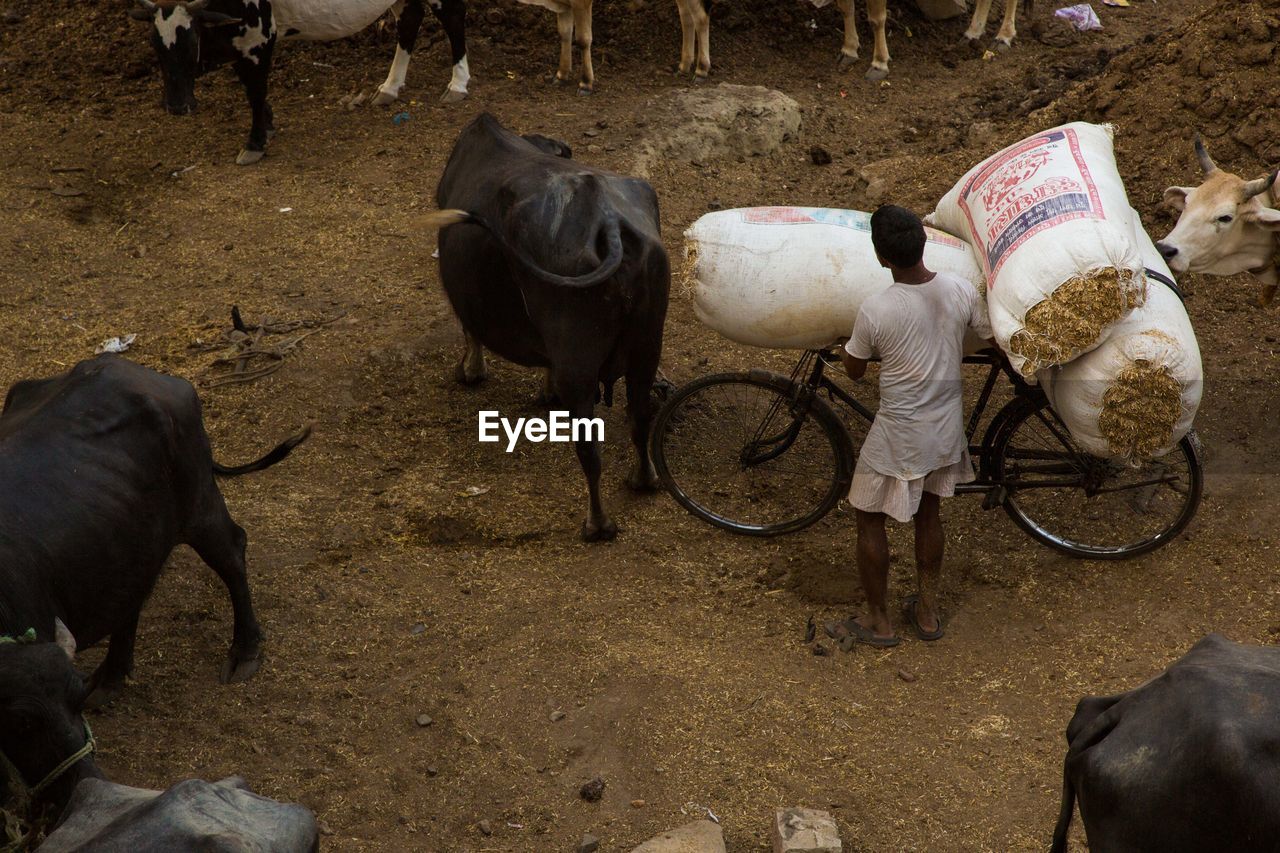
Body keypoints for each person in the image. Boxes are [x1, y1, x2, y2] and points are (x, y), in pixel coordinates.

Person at [826, 205, 992, 648]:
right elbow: (986, 331)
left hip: (900, 432)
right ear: (924, 244)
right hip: (945, 427)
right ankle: (928, 611)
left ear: (881, 258)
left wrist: (847, 347)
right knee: (930, 512)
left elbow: (856, 371)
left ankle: (879, 622)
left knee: (867, 515)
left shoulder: (876, 309)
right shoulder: (958, 290)